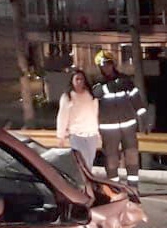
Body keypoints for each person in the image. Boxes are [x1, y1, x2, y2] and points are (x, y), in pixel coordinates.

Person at [92, 49, 147, 190]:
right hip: (108, 128)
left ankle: (133, 187)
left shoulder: (125, 80)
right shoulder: (96, 82)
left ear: (113, 64)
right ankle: (114, 188)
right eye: (104, 65)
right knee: (111, 158)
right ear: (99, 67)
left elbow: (136, 100)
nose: (107, 67)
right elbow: (97, 93)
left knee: (132, 155)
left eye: (109, 64)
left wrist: (143, 119)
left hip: (128, 125)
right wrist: (111, 85)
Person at [55, 69, 100, 169]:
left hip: (91, 134)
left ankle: (88, 179)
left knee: (90, 162)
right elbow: (62, 117)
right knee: (82, 162)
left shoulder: (91, 95)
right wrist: (61, 135)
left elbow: (95, 114)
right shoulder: (67, 97)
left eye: (81, 79)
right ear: (72, 81)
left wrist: (98, 132)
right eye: (77, 79)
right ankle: (83, 179)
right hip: (77, 135)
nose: (79, 81)